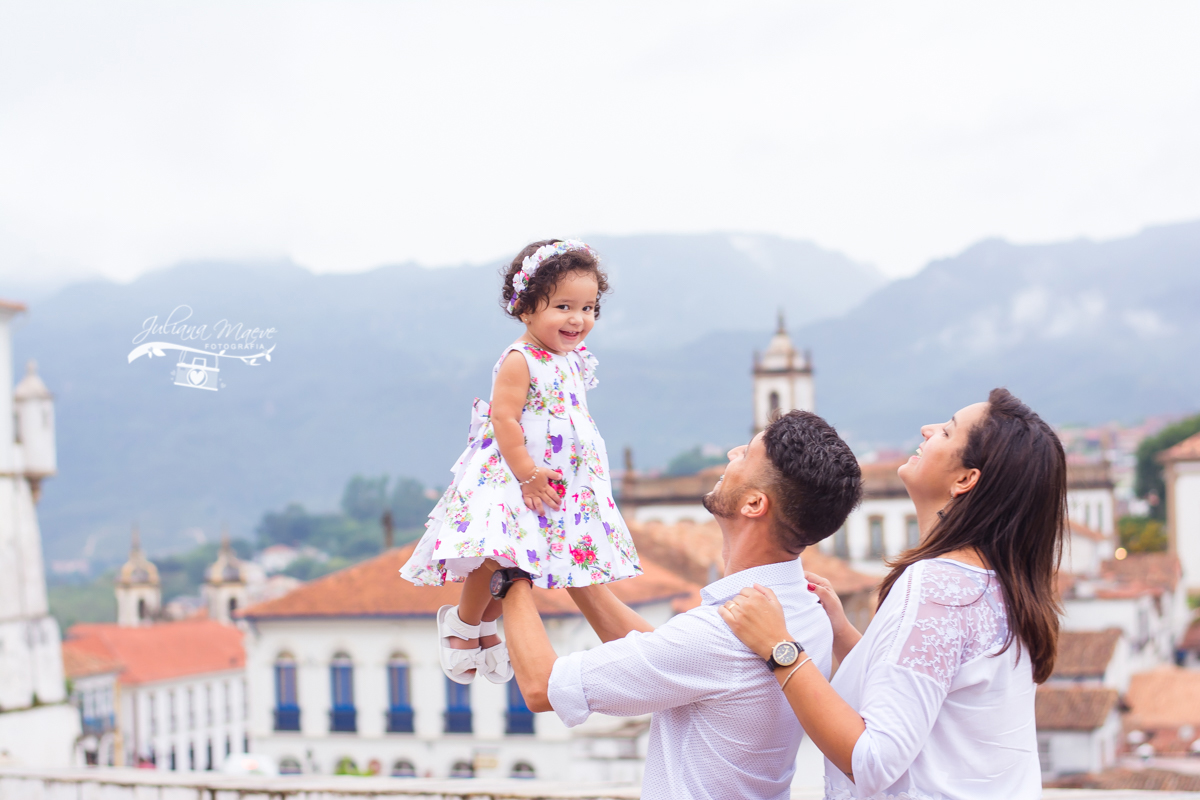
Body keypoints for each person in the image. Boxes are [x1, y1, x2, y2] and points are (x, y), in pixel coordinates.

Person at [493, 410, 864, 800]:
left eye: (746, 456)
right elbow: (666, 654)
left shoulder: (722, 634)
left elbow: (540, 687)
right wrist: (570, 567)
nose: (732, 454)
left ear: (754, 503)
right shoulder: (807, 607)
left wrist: (508, 571)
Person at [721, 388, 1065, 800]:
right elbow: (923, 691)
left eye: (947, 431)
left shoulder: (938, 586)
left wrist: (780, 649)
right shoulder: (992, 583)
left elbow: (874, 761)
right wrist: (846, 636)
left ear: (965, 479)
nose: (928, 429)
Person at [400, 239, 640, 685]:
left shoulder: (570, 359)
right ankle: (463, 624)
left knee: (522, 562)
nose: (578, 319)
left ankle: (486, 626)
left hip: (553, 483)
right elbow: (504, 417)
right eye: (563, 306)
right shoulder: (520, 359)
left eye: (589, 308)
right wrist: (527, 474)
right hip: (516, 476)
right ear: (525, 308)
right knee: (497, 556)